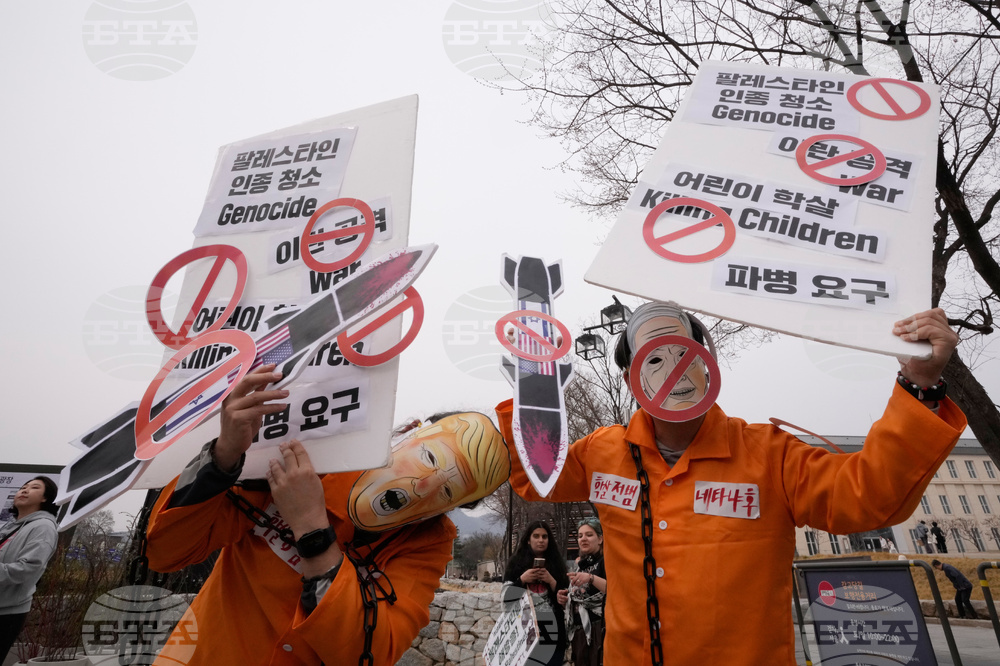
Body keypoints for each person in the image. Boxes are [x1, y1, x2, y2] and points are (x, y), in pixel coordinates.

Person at [497, 304, 967, 665]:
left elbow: (869, 496)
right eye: (654, 359)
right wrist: (531, 392)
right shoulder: (602, 451)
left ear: (708, 364)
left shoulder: (770, 454)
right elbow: (537, 476)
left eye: (684, 355)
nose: (672, 371)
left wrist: (919, 386)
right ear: (629, 377)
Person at [146, 364, 511, 666]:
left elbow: (368, 652)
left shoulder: (425, 545)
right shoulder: (314, 453)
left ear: (449, 510)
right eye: (430, 459)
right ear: (412, 433)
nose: (422, 487)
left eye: (447, 492)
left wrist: (312, 531)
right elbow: (166, 552)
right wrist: (224, 456)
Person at [0, 477, 59, 659]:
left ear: (45, 498)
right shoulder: (11, 526)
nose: (24, 490)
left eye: (34, 488)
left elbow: (29, 569)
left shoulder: (44, 527)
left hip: (6, 613)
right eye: (23, 487)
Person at [503, 521, 570, 666]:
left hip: (552, 635)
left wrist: (552, 581)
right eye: (536, 536)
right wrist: (522, 580)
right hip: (523, 636)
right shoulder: (515, 564)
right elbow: (505, 599)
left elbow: (567, 598)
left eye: (545, 537)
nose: (541, 540)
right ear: (528, 539)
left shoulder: (557, 564)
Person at [557, 517, 607, 666]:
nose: (583, 539)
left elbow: (616, 590)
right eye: (580, 536)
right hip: (579, 633)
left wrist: (591, 578)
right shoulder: (581, 566)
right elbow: (581, 596)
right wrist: (565, 598)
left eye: (589, 535)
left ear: (600, 539)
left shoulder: (606, 561)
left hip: (600, 630)